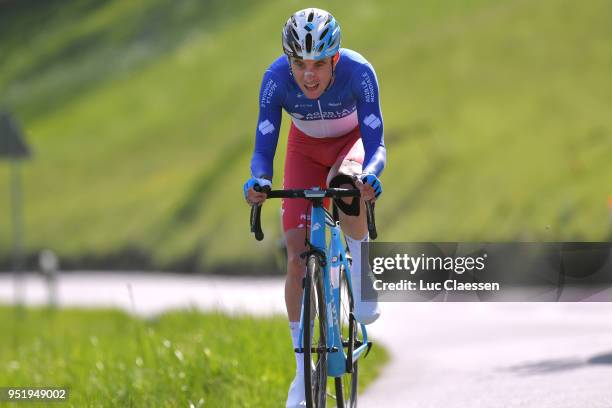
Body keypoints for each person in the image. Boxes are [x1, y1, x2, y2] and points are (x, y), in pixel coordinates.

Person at [243, 8, 386, 407]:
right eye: (300, 64)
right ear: (288, 61)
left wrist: (370, 175)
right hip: (303, 150)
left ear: (335, 59)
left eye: (319, 63)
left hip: (350, 146)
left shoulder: (359, 73)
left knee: (345, 187)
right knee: (295, 260)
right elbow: (262, 149)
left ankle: (359, 273)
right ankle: (303, 370)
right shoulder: (274, 80)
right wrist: (259, 181)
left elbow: (378, 145)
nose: (309, 74)